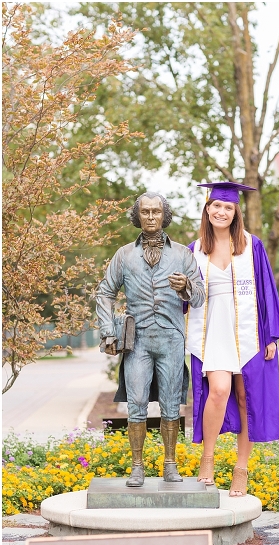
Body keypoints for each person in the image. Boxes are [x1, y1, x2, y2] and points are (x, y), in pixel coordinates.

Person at [185, 181, 279, 497]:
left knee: (247, 398)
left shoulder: (251, 246)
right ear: (207, 208)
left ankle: (241, 469)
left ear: (236, 212)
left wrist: (271, 336)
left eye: (228, 207)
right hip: (211, 329)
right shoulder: (193, 250)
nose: (222, 211)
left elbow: (267, 290)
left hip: (248, 330)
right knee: (218, 391)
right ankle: (208, 458)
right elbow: (184, 297)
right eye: (217, 205)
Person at [97, 192, 205, 487]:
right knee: (137, 404)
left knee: (172, 405)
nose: (151, 216)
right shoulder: (124, 255)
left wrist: (185, 287)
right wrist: (108, 331)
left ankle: (170, 464)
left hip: (171, 338)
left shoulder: (183, 254)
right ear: (137, 216)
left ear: (164, 215)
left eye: (156, 211)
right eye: (145, 212)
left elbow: (200, 296)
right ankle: (136, 466)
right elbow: (105, 292)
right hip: (138, 340)